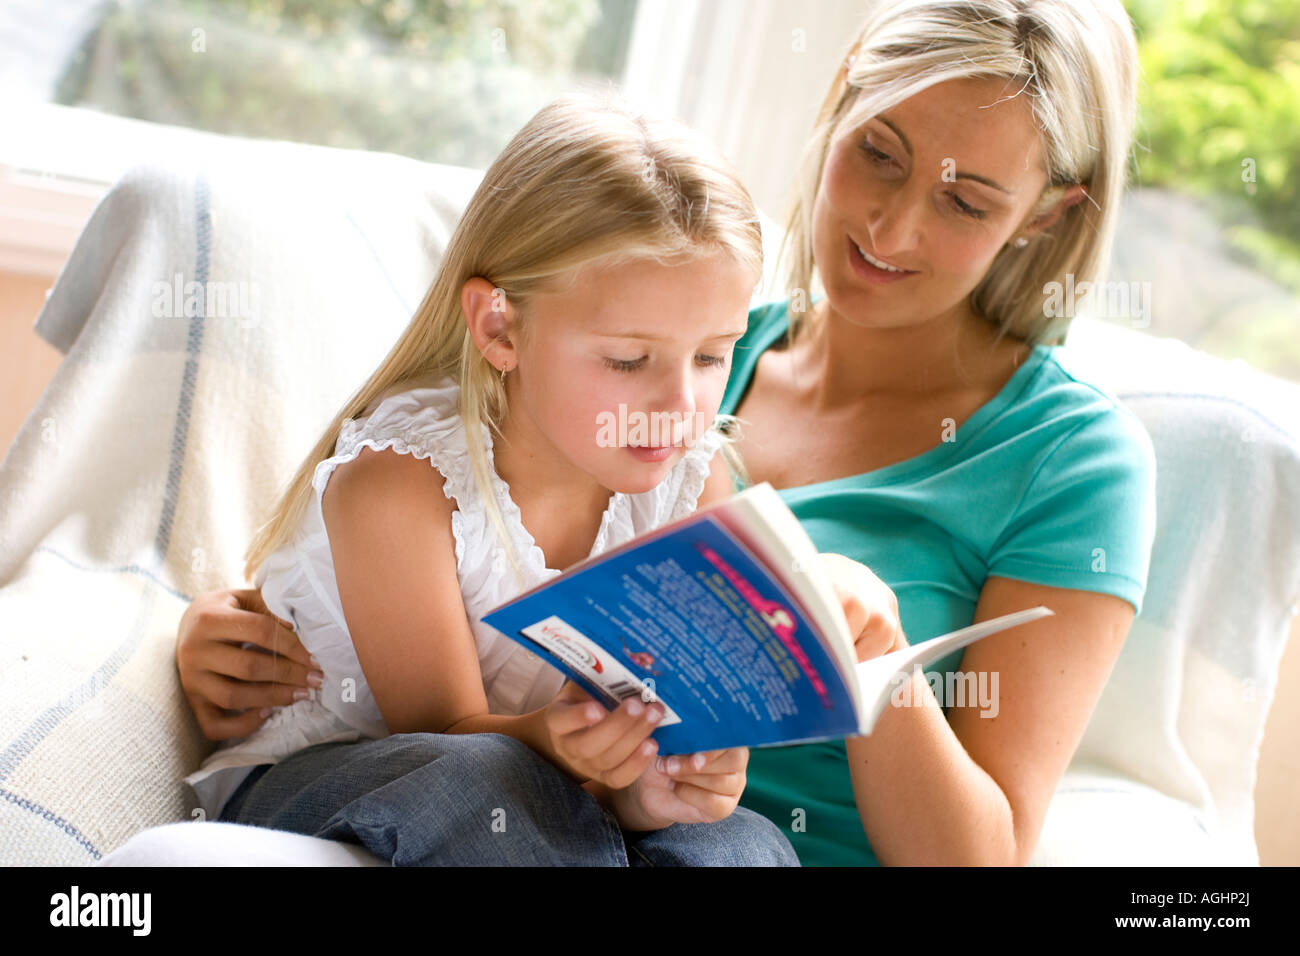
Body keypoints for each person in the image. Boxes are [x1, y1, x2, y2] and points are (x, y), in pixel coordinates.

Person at [174, 0, 1157, 866]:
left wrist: (876, 654)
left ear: (1043, 215)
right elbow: (431, 678)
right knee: (495, 787)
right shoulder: (681, 323)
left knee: (736, 841)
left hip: (676, 824)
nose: (889, 228)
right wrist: (232, 625)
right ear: (842, 92)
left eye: (962, 200)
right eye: (879, 153)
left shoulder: (1068, 459)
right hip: (516, 797)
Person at [164, 89, 870, 867]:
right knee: (490, 779)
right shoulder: (402, 484)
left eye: (711, 355)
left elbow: (633, 766)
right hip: (362, 777)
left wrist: (659, 785)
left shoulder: (693, 483)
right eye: (629, 360)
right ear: (500, 327)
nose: (681, 403)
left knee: (740, 842)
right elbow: (441, 735)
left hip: (562, 804)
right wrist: (558, 747)